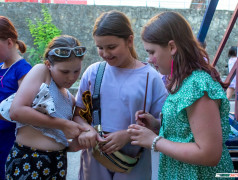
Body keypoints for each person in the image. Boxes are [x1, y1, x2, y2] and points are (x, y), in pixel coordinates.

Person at [128, 11, 234, 179]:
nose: (149, 59)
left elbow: (209, 154)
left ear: (172, 47)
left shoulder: (197, 86)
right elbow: (188, 130)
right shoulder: (184, 81)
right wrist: (157, 125)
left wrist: (155, 141)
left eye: (151, 52)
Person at [73, 10, 167, 180]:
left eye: (111, 47)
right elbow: (78, 113)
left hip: (134, 160)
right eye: (100, 48)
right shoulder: (94, 72)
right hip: (96, 157)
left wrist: (127, 135)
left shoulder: (150, 77)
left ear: (129, 41)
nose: (105, 53)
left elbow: (163, 124)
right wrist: (88, 130)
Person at [4, 35, 87, 179]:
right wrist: (63, 124)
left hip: (58, 163)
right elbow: (16, 111)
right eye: (64, 72)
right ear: (49, 64)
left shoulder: (69, 98)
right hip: (30, 160)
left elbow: (52, 135)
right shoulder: (42, 72)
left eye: (76, 71)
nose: (71, 77)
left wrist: (73, 144)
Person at [0, 16, 32, 179]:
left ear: (9, 42)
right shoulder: (1, 66)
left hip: (9, 141)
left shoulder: (24, 71)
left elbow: (26, 110)